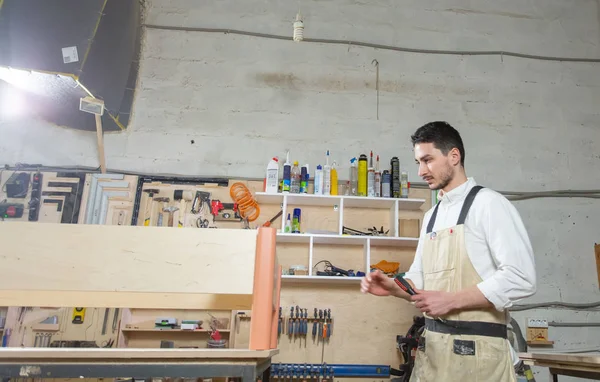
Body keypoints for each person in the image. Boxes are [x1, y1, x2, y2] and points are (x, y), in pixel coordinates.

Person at [361, 121, 536, 381]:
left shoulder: (489, 204)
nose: (421, 171)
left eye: (428, 160)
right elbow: (419, 280)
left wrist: (452, 300)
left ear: (454, 156)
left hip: (479, 357)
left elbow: (521, 277)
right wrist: (394, 288)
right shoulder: (432, 216)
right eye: (418, 162)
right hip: (433, 354)